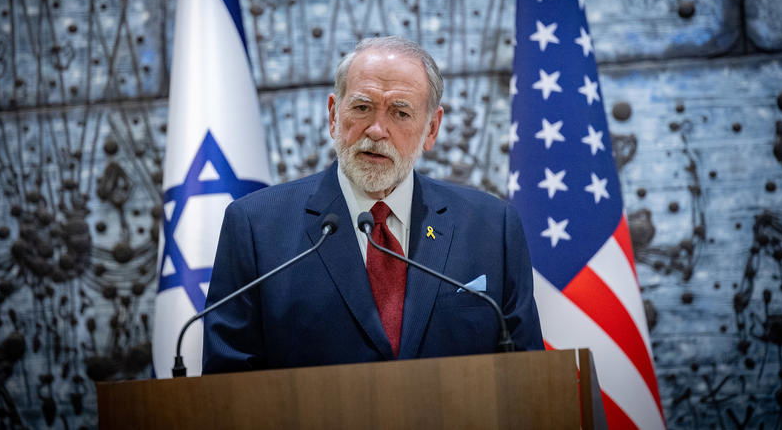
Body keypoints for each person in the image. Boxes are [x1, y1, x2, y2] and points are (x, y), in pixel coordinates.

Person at [202, 36, 543, 373]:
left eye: (400, 113)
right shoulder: (256, 226)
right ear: (334, 115)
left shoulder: (491, 227)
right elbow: (228, 383)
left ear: (431, 128)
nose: (377, 130)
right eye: (362, 108)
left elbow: (526, 374)